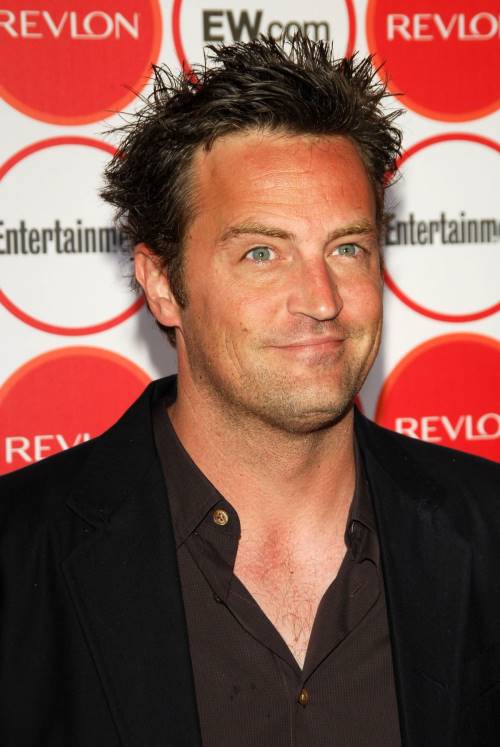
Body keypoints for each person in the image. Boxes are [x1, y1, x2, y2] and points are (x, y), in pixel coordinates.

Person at [0, 35, 498, 747]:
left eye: (347, 248)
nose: (322, 300)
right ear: (161, 283)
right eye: (262, 253)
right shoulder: (21, 556)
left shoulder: (484, 526)